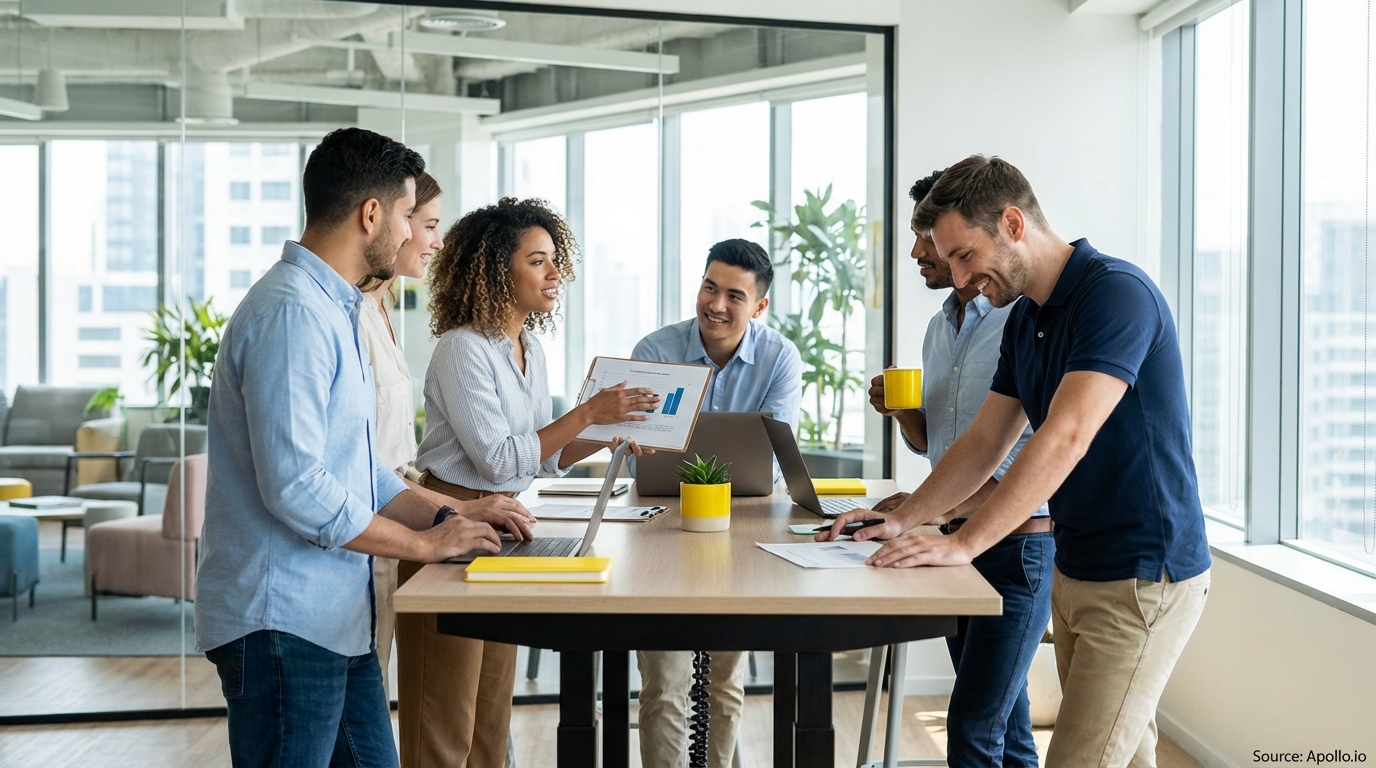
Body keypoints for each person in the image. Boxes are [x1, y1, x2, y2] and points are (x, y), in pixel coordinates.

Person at [822, 155, 1212, 768]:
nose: (958, 276)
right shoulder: (1026, 318)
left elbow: (1066, 435)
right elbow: (984, 441)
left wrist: (964, 543)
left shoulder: (1116, 294)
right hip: (1077, 570)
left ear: (1011, 223)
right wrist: (904, 517)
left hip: (1143, 577)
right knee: (1126, 753)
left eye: (964, 255)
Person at [196, 127, 505, 768]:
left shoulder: (335, 309)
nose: (413, 233)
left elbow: (358, 470)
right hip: (283, 625)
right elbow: (298, 487)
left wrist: (450, 516)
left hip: (333, 621)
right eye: (406, 215)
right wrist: (424, 547)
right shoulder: (293, 314)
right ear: (371, 215)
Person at [399, 197, 658, 768]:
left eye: (554, 260)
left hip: (504, 524)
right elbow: (498, 460)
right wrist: (588, 412)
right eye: (538, 261)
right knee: (444, 718)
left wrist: (607, 435)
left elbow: (541, 456)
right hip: (451, 518)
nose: (554, 273)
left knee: (490, 715)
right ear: (497, 270)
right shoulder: (461, 348)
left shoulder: (529, 348)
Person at [865, 169, 1052, 766]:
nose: (919, 252)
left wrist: (925, 510)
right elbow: (943, 447)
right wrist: (904, 415)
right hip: (957, 542)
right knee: (1005, 729)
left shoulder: (1019, 320)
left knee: (974, 728)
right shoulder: (938, 328)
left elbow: (1030, 453)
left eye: (930, 239)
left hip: (1017, 546)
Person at [355, 172, 536, 705]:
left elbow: (387, 459)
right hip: (382, 525)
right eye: (429, 225)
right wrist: (453, 509)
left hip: (402, 515)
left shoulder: (383, 308)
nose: (437, 241)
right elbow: (359, 464)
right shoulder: (353, 317)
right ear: (385, 220)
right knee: (409, 704)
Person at [630, 238, 803, 768]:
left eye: (734, 295)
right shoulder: (655, 351)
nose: (717, 304)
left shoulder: (778, 357)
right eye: (710, 287)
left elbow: (773, 463)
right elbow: (636, 459)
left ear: (759, 306)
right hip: (662, 528)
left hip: (741, 530)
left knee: (724, 680)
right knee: (665, 681)